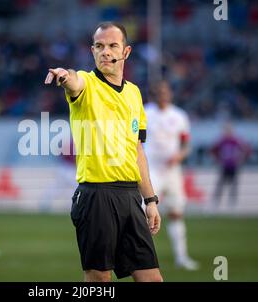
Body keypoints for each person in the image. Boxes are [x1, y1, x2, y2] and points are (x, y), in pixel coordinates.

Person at [44, 22, 163, 282]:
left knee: (151, 279)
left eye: (112, 46)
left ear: (126, 52)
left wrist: (150, 200)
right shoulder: (86, 82)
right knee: (99, 278)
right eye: (99, 46)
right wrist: (65, 76)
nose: (105, 52)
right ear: (92, 50)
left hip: (131, 196)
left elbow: (137, 151)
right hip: (96, 195)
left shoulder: (134, 93)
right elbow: (74, 82)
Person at [143, 81, 199, 271]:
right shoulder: (145, 112)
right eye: (159, 91)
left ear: (171, 94)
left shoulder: (179, 115)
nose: (162, 95)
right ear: (154, 94)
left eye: (165, 91)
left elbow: (185, 144)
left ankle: (181, 257)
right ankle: (141, 258)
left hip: (172, 172)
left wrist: (180, 156)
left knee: (176, 213)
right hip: (150, 170)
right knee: (144, 215)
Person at [210, 123, 251, 209]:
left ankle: (232, 202)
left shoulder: (236, 140)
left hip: (233, 165)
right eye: (226, 130)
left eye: (228, 130)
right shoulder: (222, 141)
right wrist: (217, 159)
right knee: (221, 184)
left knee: (233, 184)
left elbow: (247, 149)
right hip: (225, 165)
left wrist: (241, 160)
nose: (226, 132)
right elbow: (213, 150)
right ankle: (216, 201)